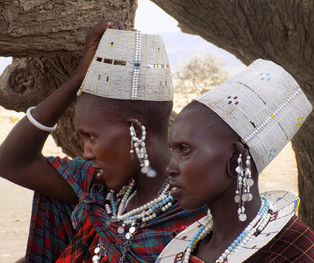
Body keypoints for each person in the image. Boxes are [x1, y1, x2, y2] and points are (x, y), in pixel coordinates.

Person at [0, 21, 205, 262]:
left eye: (91, 137)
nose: (86, 153)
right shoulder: (100, 191)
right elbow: (11, 162)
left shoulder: (195, 214)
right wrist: (78, 77)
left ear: (135, 130)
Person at [157, 59, 314, 263]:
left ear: (237, 157)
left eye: (184, 149)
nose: (170, 168)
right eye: (172, 150)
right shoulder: (183, 248)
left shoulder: (290, 247)